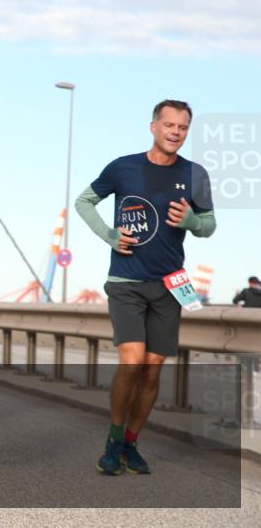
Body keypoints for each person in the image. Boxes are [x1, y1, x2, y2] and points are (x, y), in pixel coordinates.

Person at [76, 99, 215, 475]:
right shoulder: (124, 168)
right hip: (126, 282)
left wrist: (190, 220)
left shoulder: (195, 174)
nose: (175, 132)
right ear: (153, 126)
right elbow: (84, 201)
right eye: (169, 125)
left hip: (170, 284)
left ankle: (131, 444)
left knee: (152, 371)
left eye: (183, 128)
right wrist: (109, 234)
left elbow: (209, 225)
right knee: (132, 361)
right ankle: (113, 439)